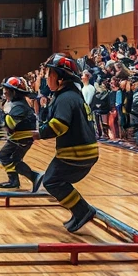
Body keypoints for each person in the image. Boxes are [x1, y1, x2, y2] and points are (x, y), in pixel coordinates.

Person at [37, 54, 99, 232]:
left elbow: (59, 126)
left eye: (50, 74)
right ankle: (80, 211)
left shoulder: (65, 98)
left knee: (52, 181)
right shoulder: (71, 94)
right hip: (84, 151)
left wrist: (37, 134)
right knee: (55, 180)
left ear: (60, 77)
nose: (47, 78)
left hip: (75, 154)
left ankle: (82, 211)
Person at [0, 76, 37, 190]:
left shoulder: (19, 106)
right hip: (20, 137)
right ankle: (31, 178)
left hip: (21, 138)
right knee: (14, 160)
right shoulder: (17, 104)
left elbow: (10, 124)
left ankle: (21, 179)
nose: (5, 92)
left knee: (4, 155)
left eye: (7, 90)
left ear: (14, 92)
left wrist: (2, 114)